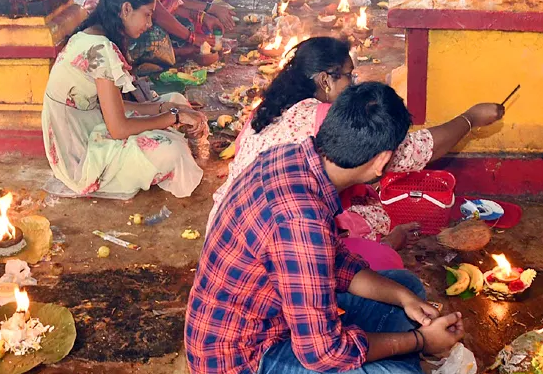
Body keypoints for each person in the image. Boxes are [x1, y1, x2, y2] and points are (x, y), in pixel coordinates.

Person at [186, 82, 466, 374]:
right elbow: (324, 352)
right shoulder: (301, 219)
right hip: (240, 372)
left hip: (276, 319)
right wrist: (420, 343)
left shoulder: (293, 157)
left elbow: (334, 265)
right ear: (383, 162)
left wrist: (404, 298)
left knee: (403, 286)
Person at [208, 37, 504, 246]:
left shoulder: (271, 106)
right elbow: (413, 151)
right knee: (375, 214)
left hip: (226, 221)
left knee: (362, 194)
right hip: (267, 235)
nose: (354, 82)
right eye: (350, 76)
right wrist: (470, 118)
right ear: (325, 80)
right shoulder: (323, 116)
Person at [42, 0, 207, 199]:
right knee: (172, 151)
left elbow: (116, 106)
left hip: (95, 122)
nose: (149, 24)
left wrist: (171, 110)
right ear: (126, 9)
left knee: (175, 100)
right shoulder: (101, 48)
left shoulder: (98, 34)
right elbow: (118, 129)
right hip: (80, 151)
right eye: (147, 15)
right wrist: (175, 117)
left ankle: (173, 127)